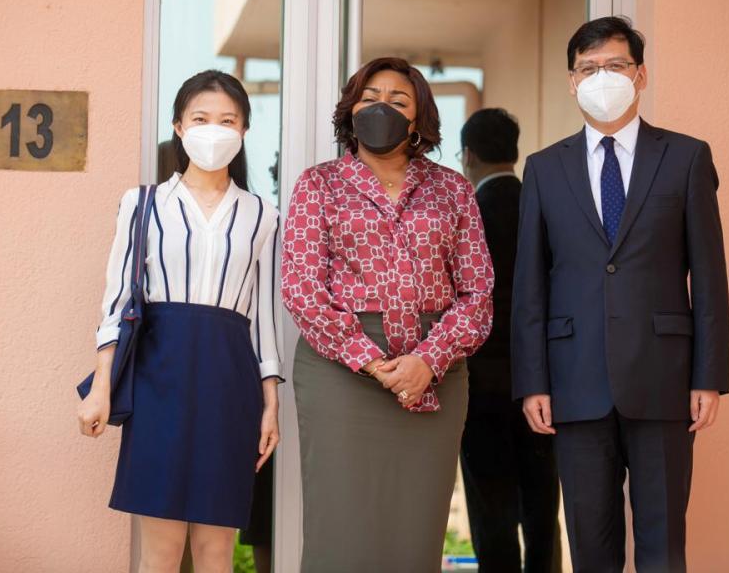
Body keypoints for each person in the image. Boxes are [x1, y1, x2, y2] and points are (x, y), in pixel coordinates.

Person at [512, 17, 729, 573]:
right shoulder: (543, 168)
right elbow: (531, 285)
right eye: (589, 68)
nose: (601, 78)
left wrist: (708, 375)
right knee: (591, 548)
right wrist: (532, 380)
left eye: (615, 65)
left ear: (641, 74)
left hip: (664, 379)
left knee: (662, 548)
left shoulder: (685, 158)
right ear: (571, 81)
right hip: (573, 381)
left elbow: (708, 275)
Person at [281, 56, 494, 572]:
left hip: (436, 374)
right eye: (370, 97)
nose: (382, 108)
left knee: (414, 531)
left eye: (399, 102)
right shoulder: (319, 184)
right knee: (341, 528)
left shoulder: (454, 189)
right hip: (340, 374)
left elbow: (478, 293)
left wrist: (428, 360)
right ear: (351, 110)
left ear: (418, 120)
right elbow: (303, 289)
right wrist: (374, 362)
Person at [77, 69, 283, 573]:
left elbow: (263, 319)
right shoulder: (142, 203)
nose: (214, 130)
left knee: (216, 553)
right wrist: (101, 388)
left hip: (230, 385)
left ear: (244, 131)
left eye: (227, 119)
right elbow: (118, 304)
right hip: (158, 380)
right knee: (161, 552)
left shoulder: (263, 215)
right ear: (178, 126)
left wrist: (271, 404)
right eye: (201, 118)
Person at [458, 108, 560, 573]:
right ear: (515, 153)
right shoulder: (546, 209)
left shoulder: (467, 217)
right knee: (541, 508)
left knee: (491, 511)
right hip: (544, 382)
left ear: (468, 155)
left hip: (480, 386)